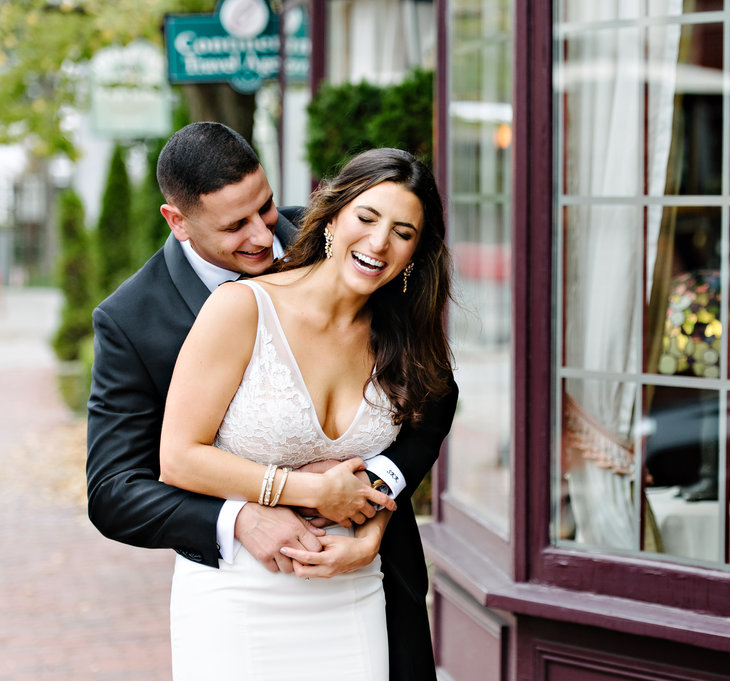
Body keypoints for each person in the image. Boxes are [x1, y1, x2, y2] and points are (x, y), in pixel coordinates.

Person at [86, 123, 455, 680]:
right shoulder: (133, 320)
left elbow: (435, 392)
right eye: (235, 225)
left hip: (365, 580)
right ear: (178, 221)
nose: (263, 234)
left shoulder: (354, 236)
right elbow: (116, 490)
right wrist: (243, 516)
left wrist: (373, 497)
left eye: (264, 206)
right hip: (244, 591)